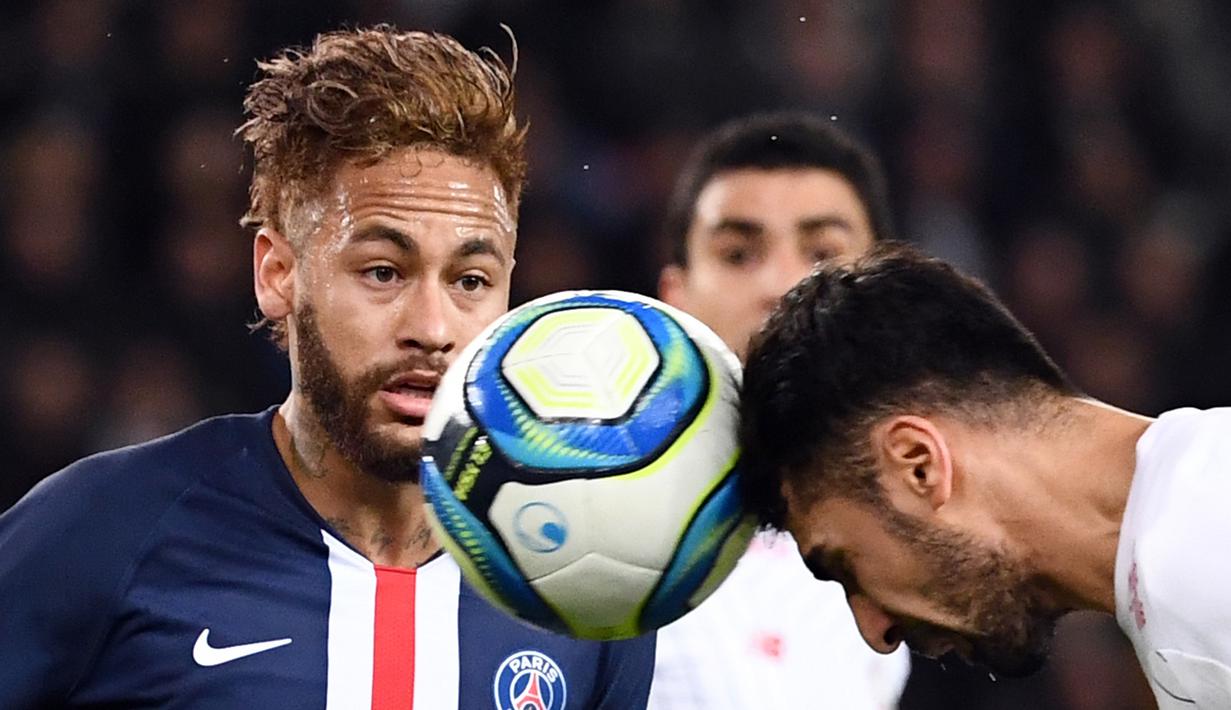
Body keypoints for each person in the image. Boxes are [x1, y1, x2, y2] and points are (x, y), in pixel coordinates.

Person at [0, 26, 654, 709]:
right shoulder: (107, 530)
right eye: (383, 271)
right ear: (278, 274)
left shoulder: (581, 585)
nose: (432, 330)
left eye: (469, 280)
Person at [739, 242, 1231, 710]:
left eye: (846, 568)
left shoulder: (1203, 553)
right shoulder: (1185, 550)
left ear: (918, 463)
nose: (875, 632)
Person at [649, 112, 910, 709]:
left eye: (821, 251)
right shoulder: (579, 506)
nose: (784, 283)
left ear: (886, 292)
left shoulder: (920, 535)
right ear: (676, 297)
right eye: (739, 253)